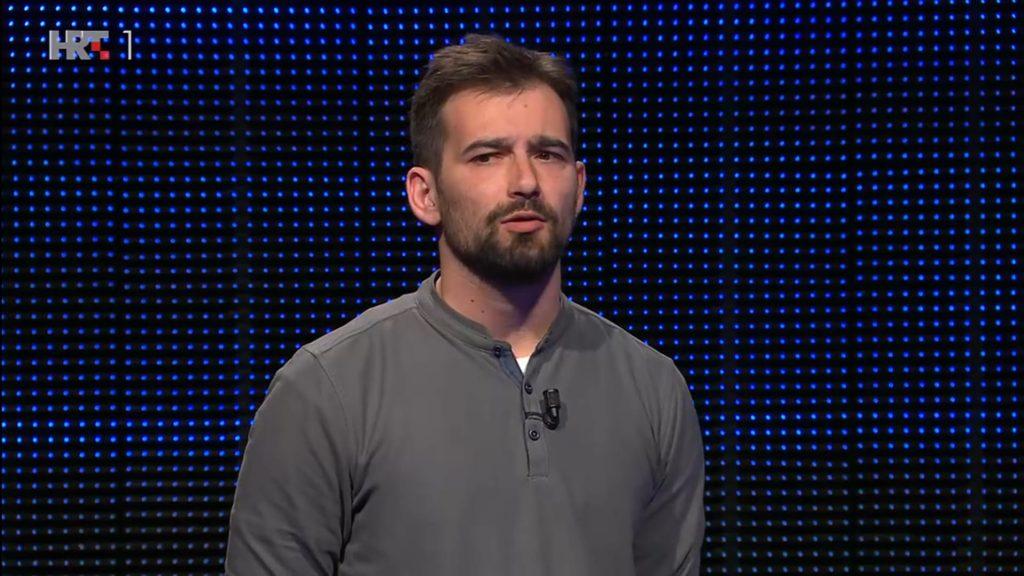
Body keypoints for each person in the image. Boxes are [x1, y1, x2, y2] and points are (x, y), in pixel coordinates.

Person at [225, 33, 705, 575]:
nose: (525, 182)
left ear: (579, 185)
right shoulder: (325, 391)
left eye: (547, 154)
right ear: (425, 194)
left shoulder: (654, 389)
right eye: (487, 156)